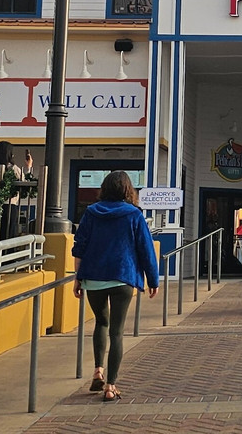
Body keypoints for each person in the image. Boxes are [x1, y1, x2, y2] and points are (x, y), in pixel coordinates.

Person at [71, 171, 159, 403]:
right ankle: (110, 386)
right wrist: (153, 279)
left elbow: (79, 246)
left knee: (101, 322)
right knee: (117, 332)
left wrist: (77, 277)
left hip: (95, 277)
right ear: (128, 190)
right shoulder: (134, 215)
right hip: (122, 276)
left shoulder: (91, 213)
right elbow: (145, 248)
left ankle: (98, 370)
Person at [0, 141, 33, 240]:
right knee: (8, 233)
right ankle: (7, 253)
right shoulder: (13, 168)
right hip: (9, 205)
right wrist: (28, 167)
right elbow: (25, 183)